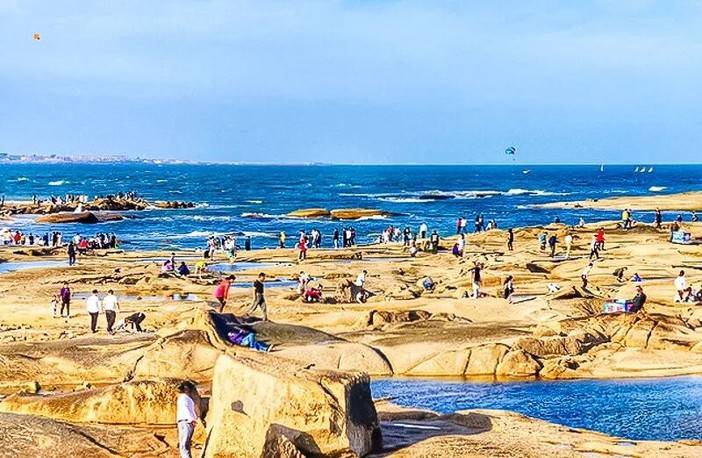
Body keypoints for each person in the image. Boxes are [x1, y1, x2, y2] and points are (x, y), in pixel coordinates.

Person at [176, 381, 201, 458]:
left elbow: (186, 409)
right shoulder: (188, 399)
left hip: (185, 421)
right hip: (186, 422)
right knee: (185, 446)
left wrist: (191, 419)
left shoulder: (183, 398)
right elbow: (192, 411)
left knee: (184, 446)